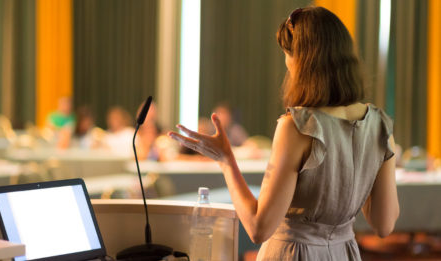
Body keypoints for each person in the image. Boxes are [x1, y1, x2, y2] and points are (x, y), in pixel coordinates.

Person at [169, 6, 399, 261]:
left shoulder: (298, 126)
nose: (287, 65)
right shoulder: (380, 125)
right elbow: (384, 224)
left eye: (288, 55)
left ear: (303, 61)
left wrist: (226, 160)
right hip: (344, 253)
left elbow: (259, 228)